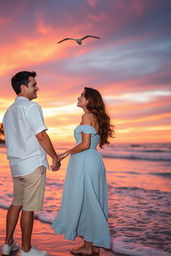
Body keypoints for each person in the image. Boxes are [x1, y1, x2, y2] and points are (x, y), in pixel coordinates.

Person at [1, 71, 60, 256]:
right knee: (28, 208)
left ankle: (8, 244)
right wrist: (55, 157)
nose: (37, 88)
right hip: (33, 165)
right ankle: (26, 250)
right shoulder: (31, 107)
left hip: (16, 166)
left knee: (16, 203)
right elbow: (41, 135)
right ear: (23, 88)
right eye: (34, 84)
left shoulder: (8, 112)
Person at [52, 87, 114, 255]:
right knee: (91, 201)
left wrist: (63, 154)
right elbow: (89, 144)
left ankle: (90, 246)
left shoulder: (87, 116)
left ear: (89, 100)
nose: (78, 97)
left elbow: (85, 144)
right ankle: (92, 246)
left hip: (85, 161)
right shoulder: (96, 118)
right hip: (93, 160)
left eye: (82, 96)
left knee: (87, 201)